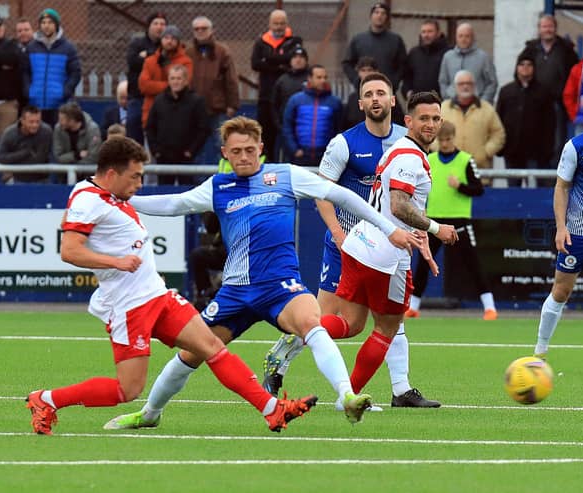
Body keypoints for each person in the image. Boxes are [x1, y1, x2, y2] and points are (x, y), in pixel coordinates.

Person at [102, 115, 421, 430]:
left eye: (250, 150)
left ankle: (347, 396)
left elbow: (341, 195)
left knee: (312, 323)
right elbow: (174, 204)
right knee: (191, 354)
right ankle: (149, 414)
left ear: (261, 149)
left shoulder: (286, 176)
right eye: (236, 151)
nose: (244, 156)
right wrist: (125, 200)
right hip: (236, 292)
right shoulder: (218, 187)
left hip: (281, 288)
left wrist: (388, 228)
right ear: (225, 152)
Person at [25, 136, 317, 435]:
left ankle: (272, 410)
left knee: (212, 347)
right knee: (128, 390)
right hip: (129, 306)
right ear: (111, 174)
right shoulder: (88, 199)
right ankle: (46, 400)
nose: (140, 183)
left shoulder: (105, 194)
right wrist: (117, 263)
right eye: (135, 176)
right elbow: (70, 250)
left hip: (157, 296)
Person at [264, 74, 443, 409]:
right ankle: (281, 359)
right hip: (348, 243)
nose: (375, 99)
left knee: (385, 318)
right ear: (360, 104)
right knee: (335, 319)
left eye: (381, 93)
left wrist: (422, 236)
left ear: (393, 101)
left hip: (385, 243)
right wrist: (336, 232)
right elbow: (322, 191)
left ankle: (401, 388)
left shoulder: (409, 141)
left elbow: (415, 199)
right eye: (368, 95)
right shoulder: (344, 143)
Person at [533, 89, 583, 360]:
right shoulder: (576, 146)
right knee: (561, 290)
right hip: (579, 231)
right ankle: (540, 350)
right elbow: (562, 187)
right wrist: (561, 227)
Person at [406, 121, 496, 320]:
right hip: (434, 221)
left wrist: (460, 186)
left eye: (448, 140)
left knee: (473, 263)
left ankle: (490, 308)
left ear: (454, 138)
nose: (445, 144)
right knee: (423, 264)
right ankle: (413, 306)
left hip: (459, 220)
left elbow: (479, 189)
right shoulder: (430, 159)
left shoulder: (465, 160)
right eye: (442, 140)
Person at [496, 50, 555, 187]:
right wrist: (501, 147)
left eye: (529, 64)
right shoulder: (506, 91)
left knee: (535, 192)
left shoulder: (543, 92)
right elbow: (498, 120)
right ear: (517, 67)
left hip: (535, 152)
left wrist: (547, 149)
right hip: (512, 151)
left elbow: (550, 124)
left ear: (534, 68)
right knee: (512, 190)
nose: (525, 68)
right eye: (522, 64)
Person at [524, 14, 578, 164]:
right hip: (535, 103)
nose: (547, 29)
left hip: (558, 104)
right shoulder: (530, 50)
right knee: (535, 139)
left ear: (555, 28)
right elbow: (520, 72)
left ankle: (555, 177)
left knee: (557, 143)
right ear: (539, 29)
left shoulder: (566, 50)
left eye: (550, 26)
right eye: (544, 26)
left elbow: (575, 76)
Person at [251, 9, 302, 162]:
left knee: (289, 137)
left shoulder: (294, 40)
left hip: (287, 98)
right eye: (275, 23)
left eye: (281, 23)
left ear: (286, 24)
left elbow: (292, 59)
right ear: (270, 24)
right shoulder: (261, 42)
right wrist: (281, 64)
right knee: (266, 136)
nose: (279, 26)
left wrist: (269, 60)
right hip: (266, 97)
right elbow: (256, 63)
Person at [187, 16, 239, 165]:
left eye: (204, 28)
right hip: (194, 111)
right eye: (197, 29)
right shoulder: (188, 53)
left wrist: (232, 105)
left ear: (211, 30)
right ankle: (196, 183)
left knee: (221, 147)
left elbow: (231, 79)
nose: (200, 31)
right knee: (196, 147)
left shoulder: (222, 52)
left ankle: (223, 179)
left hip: (218, 109)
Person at [145, 64, 209, 185]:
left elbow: (203, 129)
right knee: (164, 194)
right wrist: (156, 151)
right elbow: (150, 127)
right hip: (163, 157)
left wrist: (191, 151)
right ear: (168, 80)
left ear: (185, 80)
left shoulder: (196, 101)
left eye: (179, 78)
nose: (176, 82)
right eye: (172, 78)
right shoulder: (159, 101)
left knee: (187, 192)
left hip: (186, 158)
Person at [440, 70, 505, 178]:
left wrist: (485, 153)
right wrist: (441, 150)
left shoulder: (487, 109)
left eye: (469, 83)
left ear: (474, 86)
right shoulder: (443, 109)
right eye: (461, 84)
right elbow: (431, 133)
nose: (465, 86)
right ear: (455, 86)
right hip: (448, 173)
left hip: (479, 172)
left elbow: (499, 134)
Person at [23, 8, 81, 128]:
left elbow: (75, 73)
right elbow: (25, 71)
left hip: (58, 104)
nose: (46, 26)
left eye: (50, 22)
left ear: (56, 25)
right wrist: (29, 91)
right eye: (43, 23)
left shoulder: (68, 48)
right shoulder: (31, 47)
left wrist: (65, 91)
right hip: (36, 102)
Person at [282, 64, 342, 166]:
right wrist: (294, 150)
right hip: (300, 156)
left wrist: (332, 152)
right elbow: (287, 126)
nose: (323, 80)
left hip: (324, 157)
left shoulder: (334, 102)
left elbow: (339, 129)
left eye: (325, 77)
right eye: (319, 77)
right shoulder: (295, 100)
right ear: (309, 78)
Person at [341, 2, 406, 92]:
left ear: (387, 17)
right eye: (376, 12)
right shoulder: (359, 40)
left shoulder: (396, 40)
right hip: (364, 91)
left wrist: (394, 83)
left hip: (387, 91)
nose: (379, 16)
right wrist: (356, 80)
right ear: (371, 16)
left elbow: (403, 65)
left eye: (383, 13)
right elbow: (347, 63)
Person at [138, 25, 192, 130]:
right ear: (161, 40)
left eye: (173, 38)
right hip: (152, 114)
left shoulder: (185, 61)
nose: (169, 41)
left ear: (178, 42)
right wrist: (169, 86)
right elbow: (144, 86)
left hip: (177, 115)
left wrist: (155, 86)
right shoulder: (150, 61)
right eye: (166, 38)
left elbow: (184, 85)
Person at [125, 12, 167, 145]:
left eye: (162, 24)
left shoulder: (167, 45)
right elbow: (132, 61)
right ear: (149, 26)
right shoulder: (137, 43)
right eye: (156, 23)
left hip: (160, 98)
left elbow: (167, 64)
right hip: (138, 96)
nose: (159, 27)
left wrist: (146, 56)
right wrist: (154, 56)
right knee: (133, 127)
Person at [438, 23, 497, 104]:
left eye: (467, 36)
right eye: (460, 36)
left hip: (477, 105)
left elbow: (492, 82)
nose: (463, 39)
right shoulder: (448, 57)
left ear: (472, 37)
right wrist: (448, 99)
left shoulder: (483, 57)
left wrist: (483, 102)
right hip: (453, 105)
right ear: (456, 37)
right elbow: (443, 81)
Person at [342, 56, 404, 131]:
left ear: (376, 71)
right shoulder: (352, 99)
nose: (366, 73)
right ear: (358, 73)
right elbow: (345, 124)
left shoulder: (387, 95)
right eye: (363, 70)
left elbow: (399, 121)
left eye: (369, 70)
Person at [0, 105, 52, 183]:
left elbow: (39, 159)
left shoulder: (46, 131)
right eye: (31, 122)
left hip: (41, 179)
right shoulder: (9, 133)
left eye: (38, 121)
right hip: (16, 179)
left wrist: (13, 167)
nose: (35, 125)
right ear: (22, 120)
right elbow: (0, 158)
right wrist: (25, 152)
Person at [271, 45, 309, 159]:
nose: (298, 60)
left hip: (306, 131)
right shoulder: (283, 80)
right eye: (295, 57)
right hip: (285, 130)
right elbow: (274, 105)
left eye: (301, 57)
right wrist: (279, 126)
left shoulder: (311, 79)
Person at [402, 18, 449, 98]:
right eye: (423, 32)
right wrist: (408, 92)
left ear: (438, 33)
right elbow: (407, 78)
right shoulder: (414, 53)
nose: (426, 35)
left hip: (441, 103)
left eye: (430, 31)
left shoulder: (448, 53)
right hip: (418, 103)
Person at [53, 102, 102, 174]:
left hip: (87, 175)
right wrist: (77, 155)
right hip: (64, 175)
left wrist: (75, 168)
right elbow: (58, 157)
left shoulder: (93, 129)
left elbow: (93, 157)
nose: (59, 122)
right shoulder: (58, 128)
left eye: (62, 119)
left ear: (72, 120)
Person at [0, 15, 25, 139]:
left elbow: (11, 58)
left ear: (3, 27)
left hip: (7, 104)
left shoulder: (11, 44)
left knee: (5, 141)